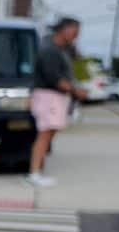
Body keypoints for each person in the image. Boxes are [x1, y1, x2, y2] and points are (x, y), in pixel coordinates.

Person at [28, 17, 85, 188]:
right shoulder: (50, 50)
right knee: (44, 134)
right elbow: (54, 78)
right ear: (64, 30)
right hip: (48, 95)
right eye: (74, 33)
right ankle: (34, 173)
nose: (76, 37)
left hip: (54, 97)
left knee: (49, 132)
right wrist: (76, 91)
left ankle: (37, 170)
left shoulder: (61, 50)